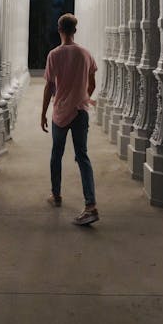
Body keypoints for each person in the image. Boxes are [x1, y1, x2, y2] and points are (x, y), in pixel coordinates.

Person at [41, 13, 99, 226]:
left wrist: (43, 114)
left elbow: (48, 86)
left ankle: (56, 195)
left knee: (57, 154)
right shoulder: (85, 54)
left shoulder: (54, 55)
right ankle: (90, 204)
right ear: (75, 30)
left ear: (59, 29)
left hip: (60, 112)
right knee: (82, 156)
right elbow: (92, 83)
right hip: (80, 111)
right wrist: (83, 97)